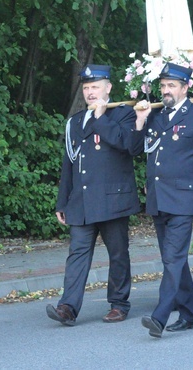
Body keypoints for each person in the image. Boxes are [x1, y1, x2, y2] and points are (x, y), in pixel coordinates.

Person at [129, 63, 193, 338]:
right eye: (163, 86)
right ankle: (191, 314)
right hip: (159, 198)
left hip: (185, 198)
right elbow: (137, 149)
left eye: (172, 86)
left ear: (185, 88)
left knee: (172, 259)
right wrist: (139, 120)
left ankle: (160, 316)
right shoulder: (156, 116)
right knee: (175, 260)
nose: (166, 91)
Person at [47, 65, 141, 326]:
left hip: (113, 199)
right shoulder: (75, 121)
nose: (90, 92)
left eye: (95, 87)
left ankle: (119, 304)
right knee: (77, 254)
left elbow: (128, 145)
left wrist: (101, 118)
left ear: (108, 88)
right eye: (86, 88)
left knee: (118, 254)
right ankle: (68, 306)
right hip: (82, 201)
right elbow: (69, 163)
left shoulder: (122, 114)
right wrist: (62, 200)